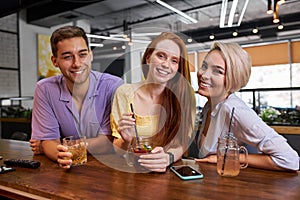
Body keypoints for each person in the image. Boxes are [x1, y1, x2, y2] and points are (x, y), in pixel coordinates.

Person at [191, 42, 299, 171]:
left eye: (217, 71)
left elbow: (289, 160)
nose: (204, 75)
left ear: (234, 80)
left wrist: (229, 157)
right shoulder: (209, 106)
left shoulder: (234, 110)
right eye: (204, 66)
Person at [30, 25, 123, 168]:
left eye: (82, 54)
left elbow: (109, 142)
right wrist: (59, 154)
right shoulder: (45, 89)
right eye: (67, 57)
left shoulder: (113, 86)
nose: (77, 63)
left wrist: (57, 146)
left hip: (110, 169)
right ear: (55, 61)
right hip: (69, 171)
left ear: (90, 55)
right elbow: (49, 141)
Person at [110, 32, 196, 172]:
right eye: (161, 56)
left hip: (167, 173)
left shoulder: (185, 95)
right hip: (134, 171)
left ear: (178, 69)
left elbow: (183, 143)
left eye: (174, 61)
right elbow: (118, 150)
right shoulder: (124, 93)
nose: (166, 64)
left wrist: (168, 157)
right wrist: (125, 142)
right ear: (149, 57)